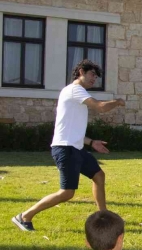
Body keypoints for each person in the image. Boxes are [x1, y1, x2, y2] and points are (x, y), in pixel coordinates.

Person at [12, 60, 125, 232]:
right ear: (81, 71)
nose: (94, 78)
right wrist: (116, 102)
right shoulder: (75, 90)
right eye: (92, 74)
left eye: (96, 76)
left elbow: (71, 127)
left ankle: (103, 216)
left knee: (99, 176)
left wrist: (91, 142)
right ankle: (25, 216)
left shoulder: (76, 94)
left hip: (76, 148)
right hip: (65, 149)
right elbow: (100, 108)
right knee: (67, 192)